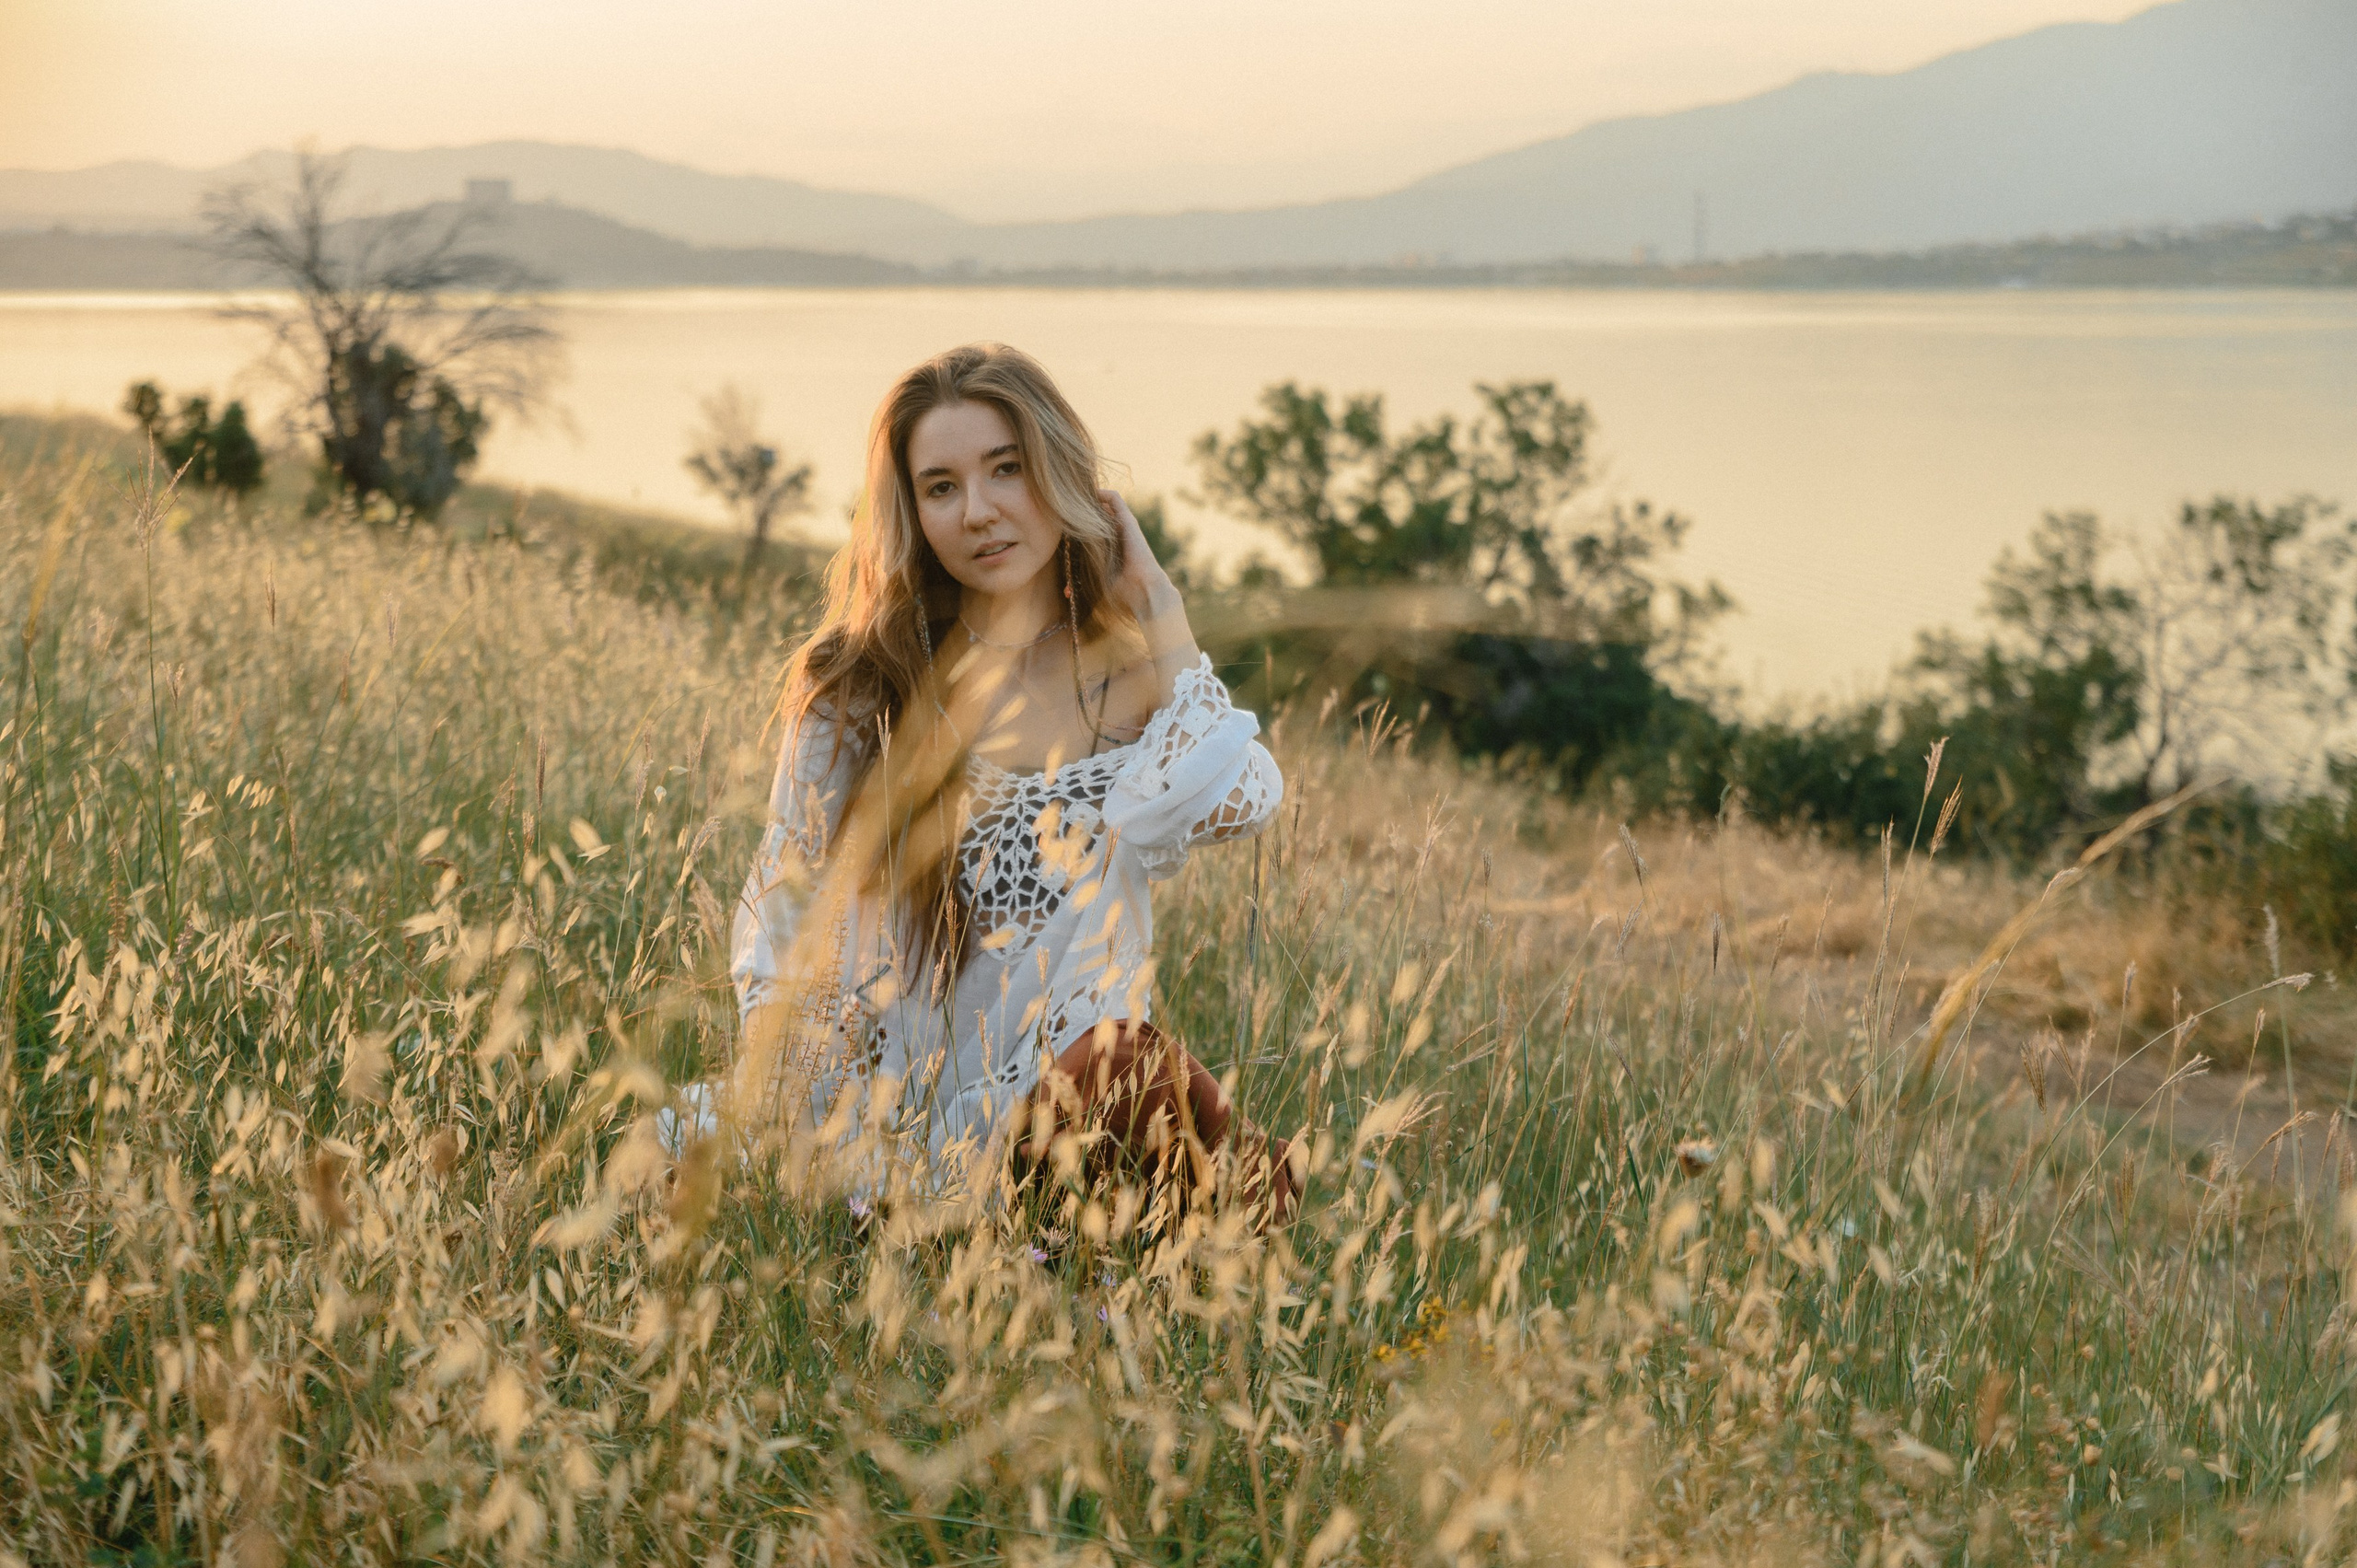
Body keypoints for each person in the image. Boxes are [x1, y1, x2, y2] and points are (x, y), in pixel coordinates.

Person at [723, 343, 1295, 1225]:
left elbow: (1244, 797)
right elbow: (785, 919)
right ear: (909, 510)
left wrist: (1160, 607)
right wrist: (828, 1139)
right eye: (940, 486)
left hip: (1075, 1108)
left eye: (1006, 470)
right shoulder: (861, 685)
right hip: (905, 1127)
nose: (978, 512)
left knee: (1157, 1093)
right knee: (1138, 1071)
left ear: (1063, 479)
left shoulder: (1134, 682)